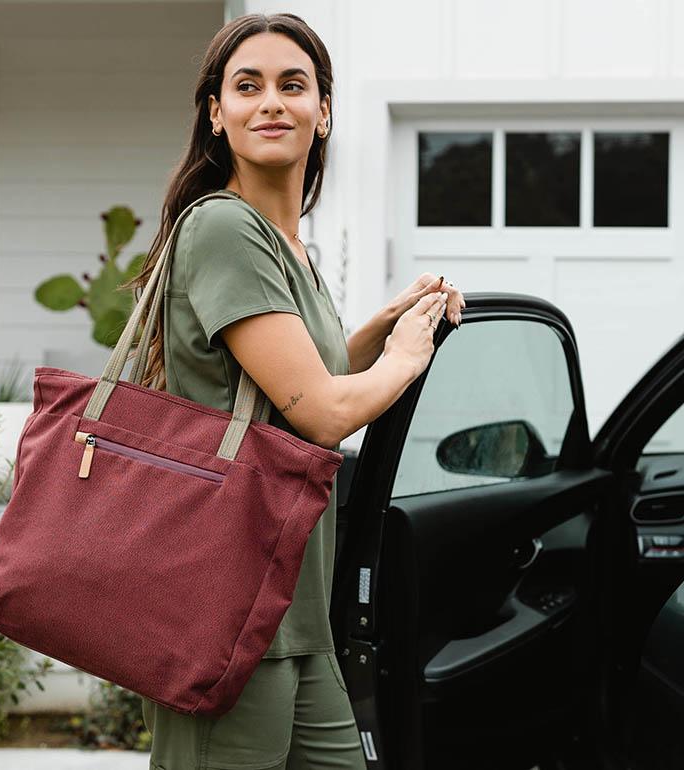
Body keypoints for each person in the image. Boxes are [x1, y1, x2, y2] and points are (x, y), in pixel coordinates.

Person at [120, 11, 467, 770]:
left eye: (292, 85)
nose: (271, 101)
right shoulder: (222, 227)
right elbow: (320, 412)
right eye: (247, 86)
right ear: (217, 113)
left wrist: (386, 323)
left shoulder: (290, 253)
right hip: (226, 609)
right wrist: (407, 356)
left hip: (292, 614)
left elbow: (292, 386)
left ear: (324, 112)